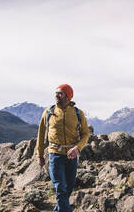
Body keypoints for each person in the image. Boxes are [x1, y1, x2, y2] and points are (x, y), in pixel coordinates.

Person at [36, 84, 90, 212]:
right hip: (55, 155)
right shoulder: (49, 112)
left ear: (68, 96)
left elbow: (85, 134)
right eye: (56, 93)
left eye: (60, 93)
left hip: (72, 156)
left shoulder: (78, 113)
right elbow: (41, 134)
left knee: (68, 188)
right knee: (60, 188)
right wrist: (39, 155)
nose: (56, 95)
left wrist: (77, 148)